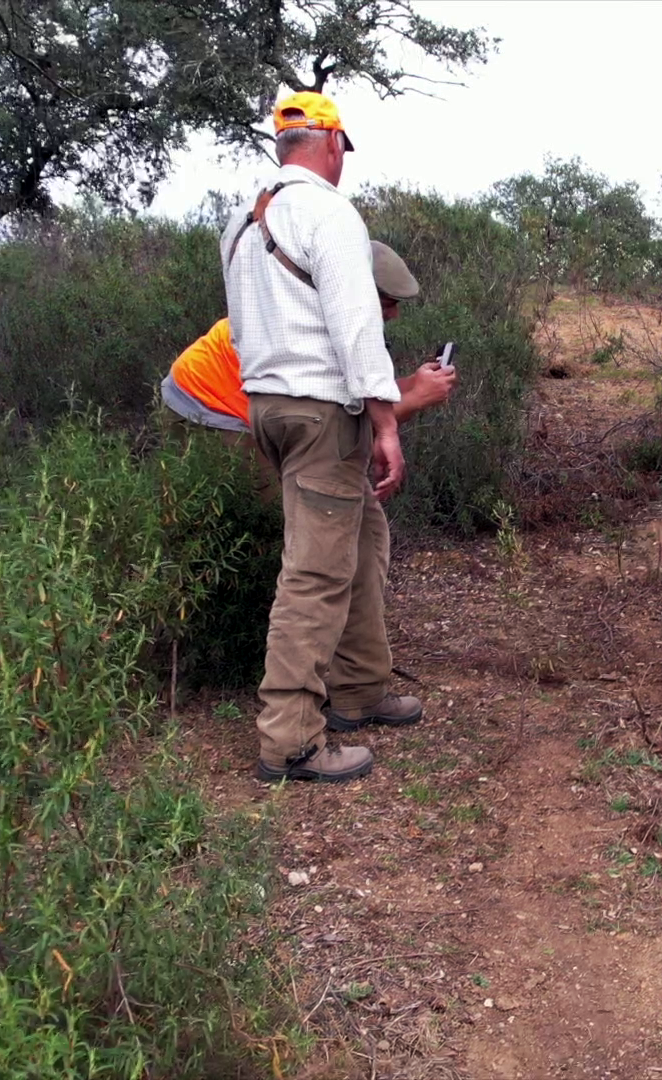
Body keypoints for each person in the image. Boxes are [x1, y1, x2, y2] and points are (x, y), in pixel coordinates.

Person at [222, 90, 416, 784]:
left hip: (269, 406)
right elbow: (356, 322)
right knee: (314, 574)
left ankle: (362, 687)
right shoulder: (330, 212)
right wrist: (386, 418)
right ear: (333, 145)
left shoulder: (243, 223)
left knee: (357, 538)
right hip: (321, 413)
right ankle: (290, 740)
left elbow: (243, 327)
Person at [161, 240, 456, 436]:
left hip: (217, 395)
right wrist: (417, 398)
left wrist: (413, 384)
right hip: (203, 402)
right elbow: (343, 427)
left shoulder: (333, 312)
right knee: (275, 511)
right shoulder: (313, 332)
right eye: (387, 305)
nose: (394, 316)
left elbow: (364, 393)